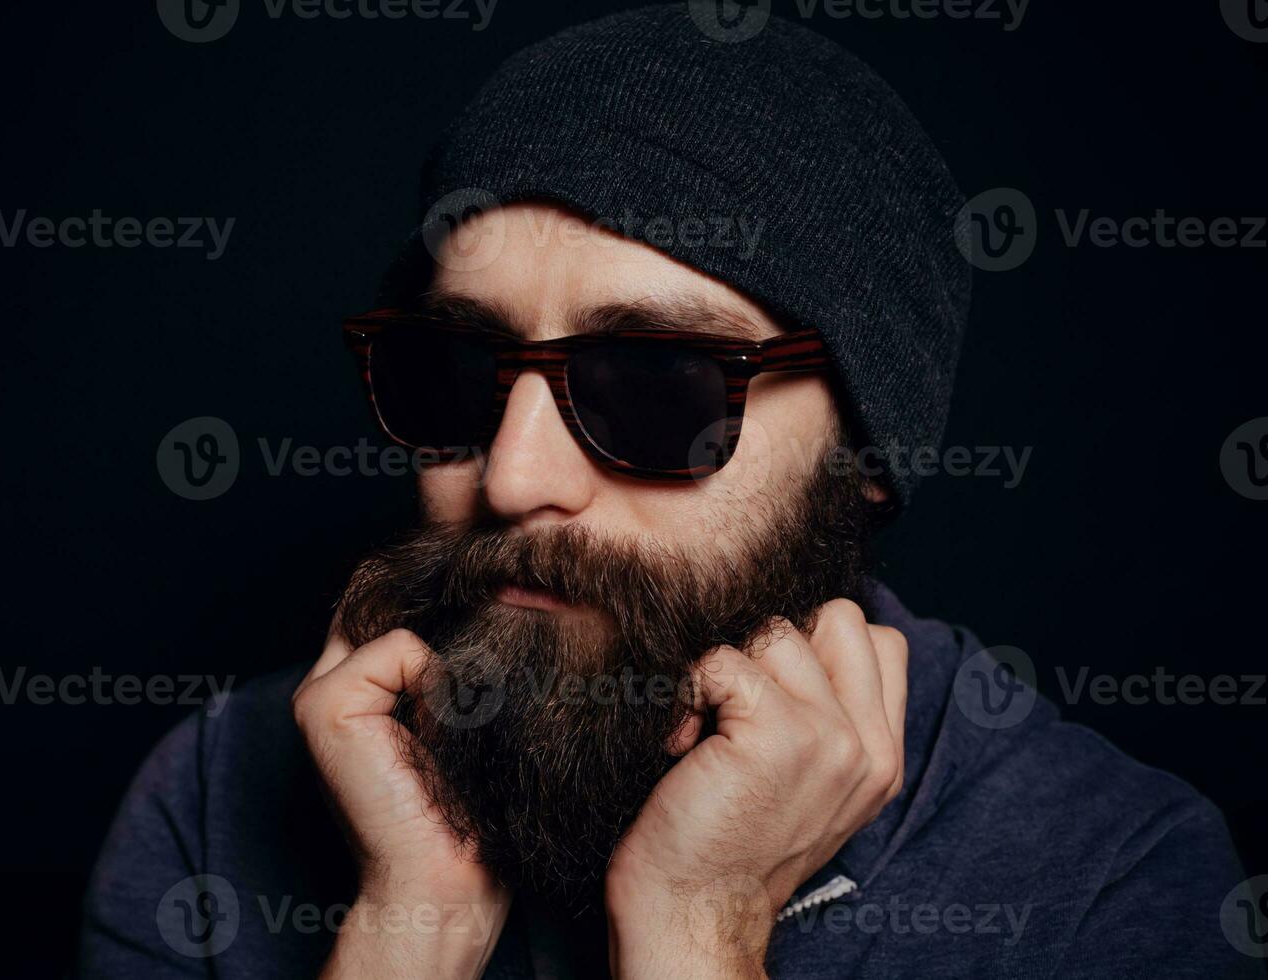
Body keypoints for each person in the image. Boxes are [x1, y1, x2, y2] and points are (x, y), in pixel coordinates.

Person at [78, 6, 1258, 977]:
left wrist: (697, 933)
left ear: (868, 453)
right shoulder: (216, 795)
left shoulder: (1109, 882)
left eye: (654, 385)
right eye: (458, 370)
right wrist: (408, 927)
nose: (512, 474)